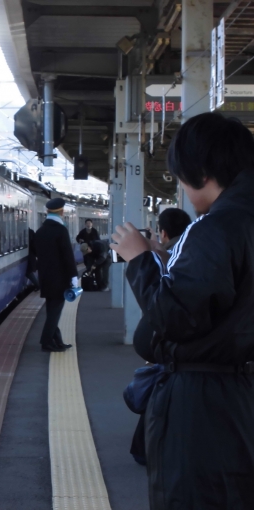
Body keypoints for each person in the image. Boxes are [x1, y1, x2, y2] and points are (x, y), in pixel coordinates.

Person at [111, 112, 254, 509]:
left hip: (204, 401)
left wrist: (139, 260)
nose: (182, 188)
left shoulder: (216, 227)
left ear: (203, 171)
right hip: (238, 391)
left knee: (194, 497)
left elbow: (177, 319)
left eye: (180, 177)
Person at [128, 208, 192, 467]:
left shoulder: (177, 255)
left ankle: (145, 450)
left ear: (163, 233)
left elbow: (161, 305)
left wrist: (143, 258)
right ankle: (143, 449)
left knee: (161, 395)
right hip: (168, 348)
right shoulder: (189, 248)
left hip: (168, 345)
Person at [34, 197, 78, 352]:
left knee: (52, 311)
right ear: (61, 211)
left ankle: (57, 341)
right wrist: (74, 276)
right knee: (55, 313)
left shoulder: (40, 231)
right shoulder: (61, 230)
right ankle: (46, 342)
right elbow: (68, 256)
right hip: (59, 279)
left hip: (45, 278)